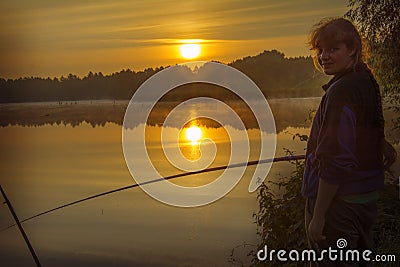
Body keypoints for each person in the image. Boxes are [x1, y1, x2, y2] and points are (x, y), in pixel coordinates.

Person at [302, 17, 397, 266]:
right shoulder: (364, 80)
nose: (324, 56)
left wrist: (319, 216)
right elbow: (362, 132)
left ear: (353, 49)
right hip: (364, 201)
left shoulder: (341, 92)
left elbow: (335, 161)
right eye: (321, 50)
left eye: (333, 49)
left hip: (339, 208)